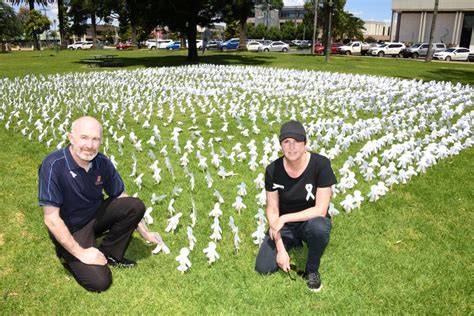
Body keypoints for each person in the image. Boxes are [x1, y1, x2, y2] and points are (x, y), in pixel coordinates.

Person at [38, 116, 161, 292]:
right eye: (84, 137)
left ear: (101, 141)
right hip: (70, 227)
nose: (90, 145)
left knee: (135, 205)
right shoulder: (53, 165)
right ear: (70, 137)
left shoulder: (102, 162)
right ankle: (67, 253)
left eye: (95, 139)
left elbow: (120, 195)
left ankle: (110, 254)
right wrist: (81, 253)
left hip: (95, 217)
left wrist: (145, 232)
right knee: (99, 282)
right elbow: (51, 219)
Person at [255, 120, 337, 292]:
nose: (291, 147)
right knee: (264, 267)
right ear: (280, 146)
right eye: (286, 142)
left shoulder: (321, 165)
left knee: (319, 227)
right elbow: (272, 209)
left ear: (305, 143)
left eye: (296, 141)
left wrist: (285, 218)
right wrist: (280, 247)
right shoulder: (273, 170)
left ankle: (312, 269)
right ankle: (293, 240)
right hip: (286, 226)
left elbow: (321, 209)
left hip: (311, 220)